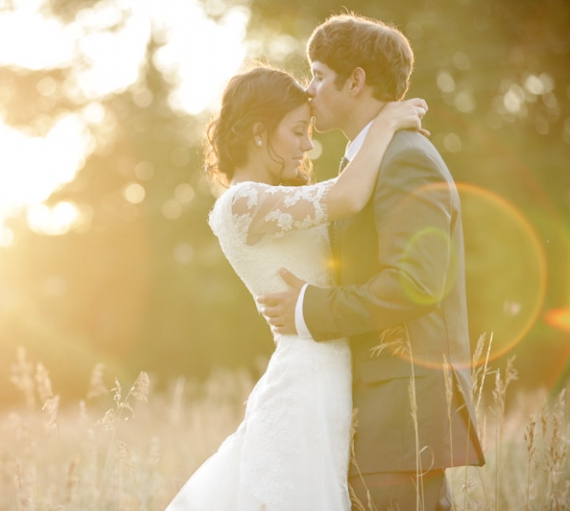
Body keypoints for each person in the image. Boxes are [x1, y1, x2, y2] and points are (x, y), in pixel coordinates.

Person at [165, 64, 428, 510]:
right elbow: (347, 196)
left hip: (329, 380)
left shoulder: (277, 197)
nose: (309, 143)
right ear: (258, 132)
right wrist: (384, 122)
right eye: (298, 131)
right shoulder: (242, 203)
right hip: (305, 384)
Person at [257, 13, 485, 510]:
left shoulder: (406, 158)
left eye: (317, 74)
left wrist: (310, 308)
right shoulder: (372, 160)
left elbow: (414, 285)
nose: (309, 89)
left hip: (402, 413)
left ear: (355, 80)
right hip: (379, 411)